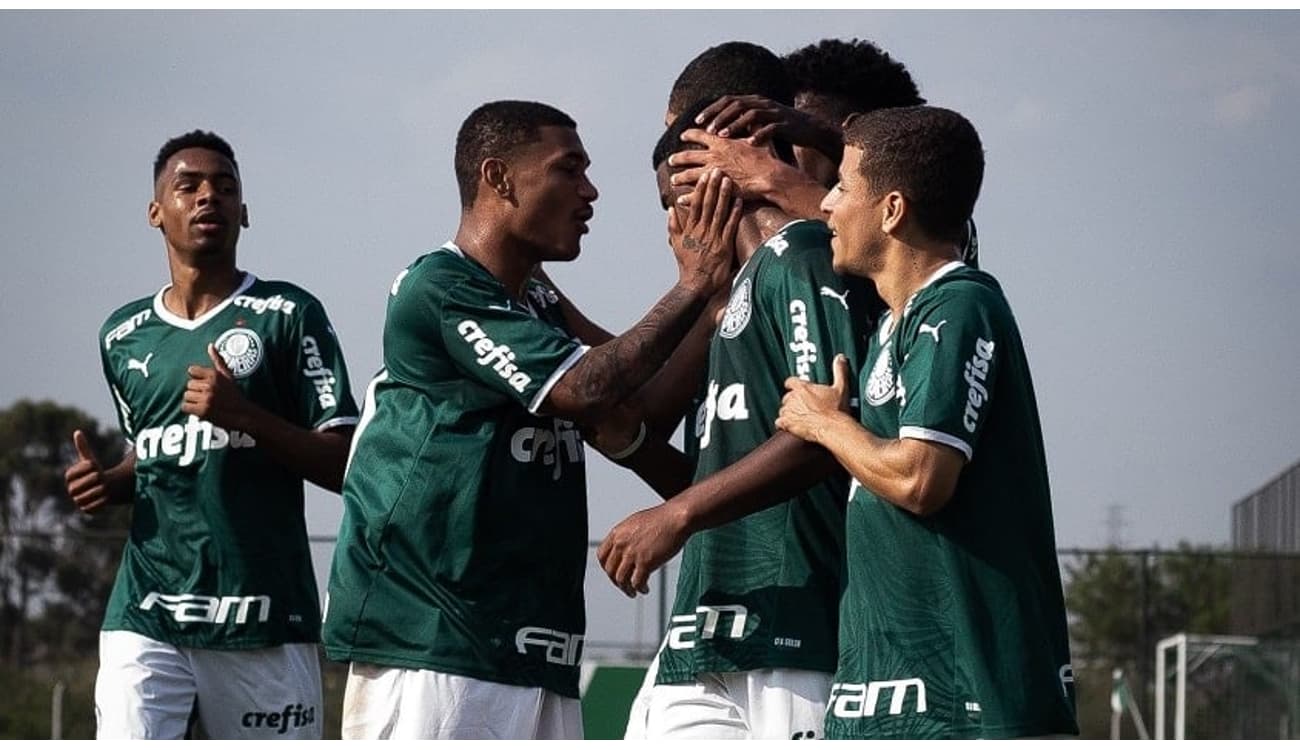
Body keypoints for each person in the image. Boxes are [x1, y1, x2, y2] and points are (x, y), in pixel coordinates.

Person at [321, 100, 737, 740]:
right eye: (568, 169)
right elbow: (584, 387)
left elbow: (643, 402)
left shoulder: (535, 296)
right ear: (499, 178)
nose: (590, 190)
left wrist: (716, 300)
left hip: (533, 649)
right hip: (435, 644)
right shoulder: (439, 285)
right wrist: (691, 286)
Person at [774, 105, 1077, 738]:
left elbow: (921, 480)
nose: (826, 204)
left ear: (890, 211)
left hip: (964, 705)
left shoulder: (961, 305)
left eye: (843, 187)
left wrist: (824, 424)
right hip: (878, 699)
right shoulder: (891, 324)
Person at [598, 44, 872, 738]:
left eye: (676, 194)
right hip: (700, 637)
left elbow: (825, 433)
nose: (672, 220)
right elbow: (656, 422)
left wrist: (678, 515)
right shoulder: (734, 291)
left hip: (793, 634)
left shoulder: (804, 255)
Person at [63, 130, 359, 739]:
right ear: (155, 212)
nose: (209, 197)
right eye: (189, 186)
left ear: (244, 212)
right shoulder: (123, 335)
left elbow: (345, 464)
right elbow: (155, 455)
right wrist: (109, 482)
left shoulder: (289, 314)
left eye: (225, 187)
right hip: (146, 614)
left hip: (263, 618)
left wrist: (246, 415)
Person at [669, 37, 979, 268]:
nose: (768, 156)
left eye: (788, 138)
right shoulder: (761, 249)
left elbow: (888, 247)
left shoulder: (938, 228)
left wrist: (778, 177)